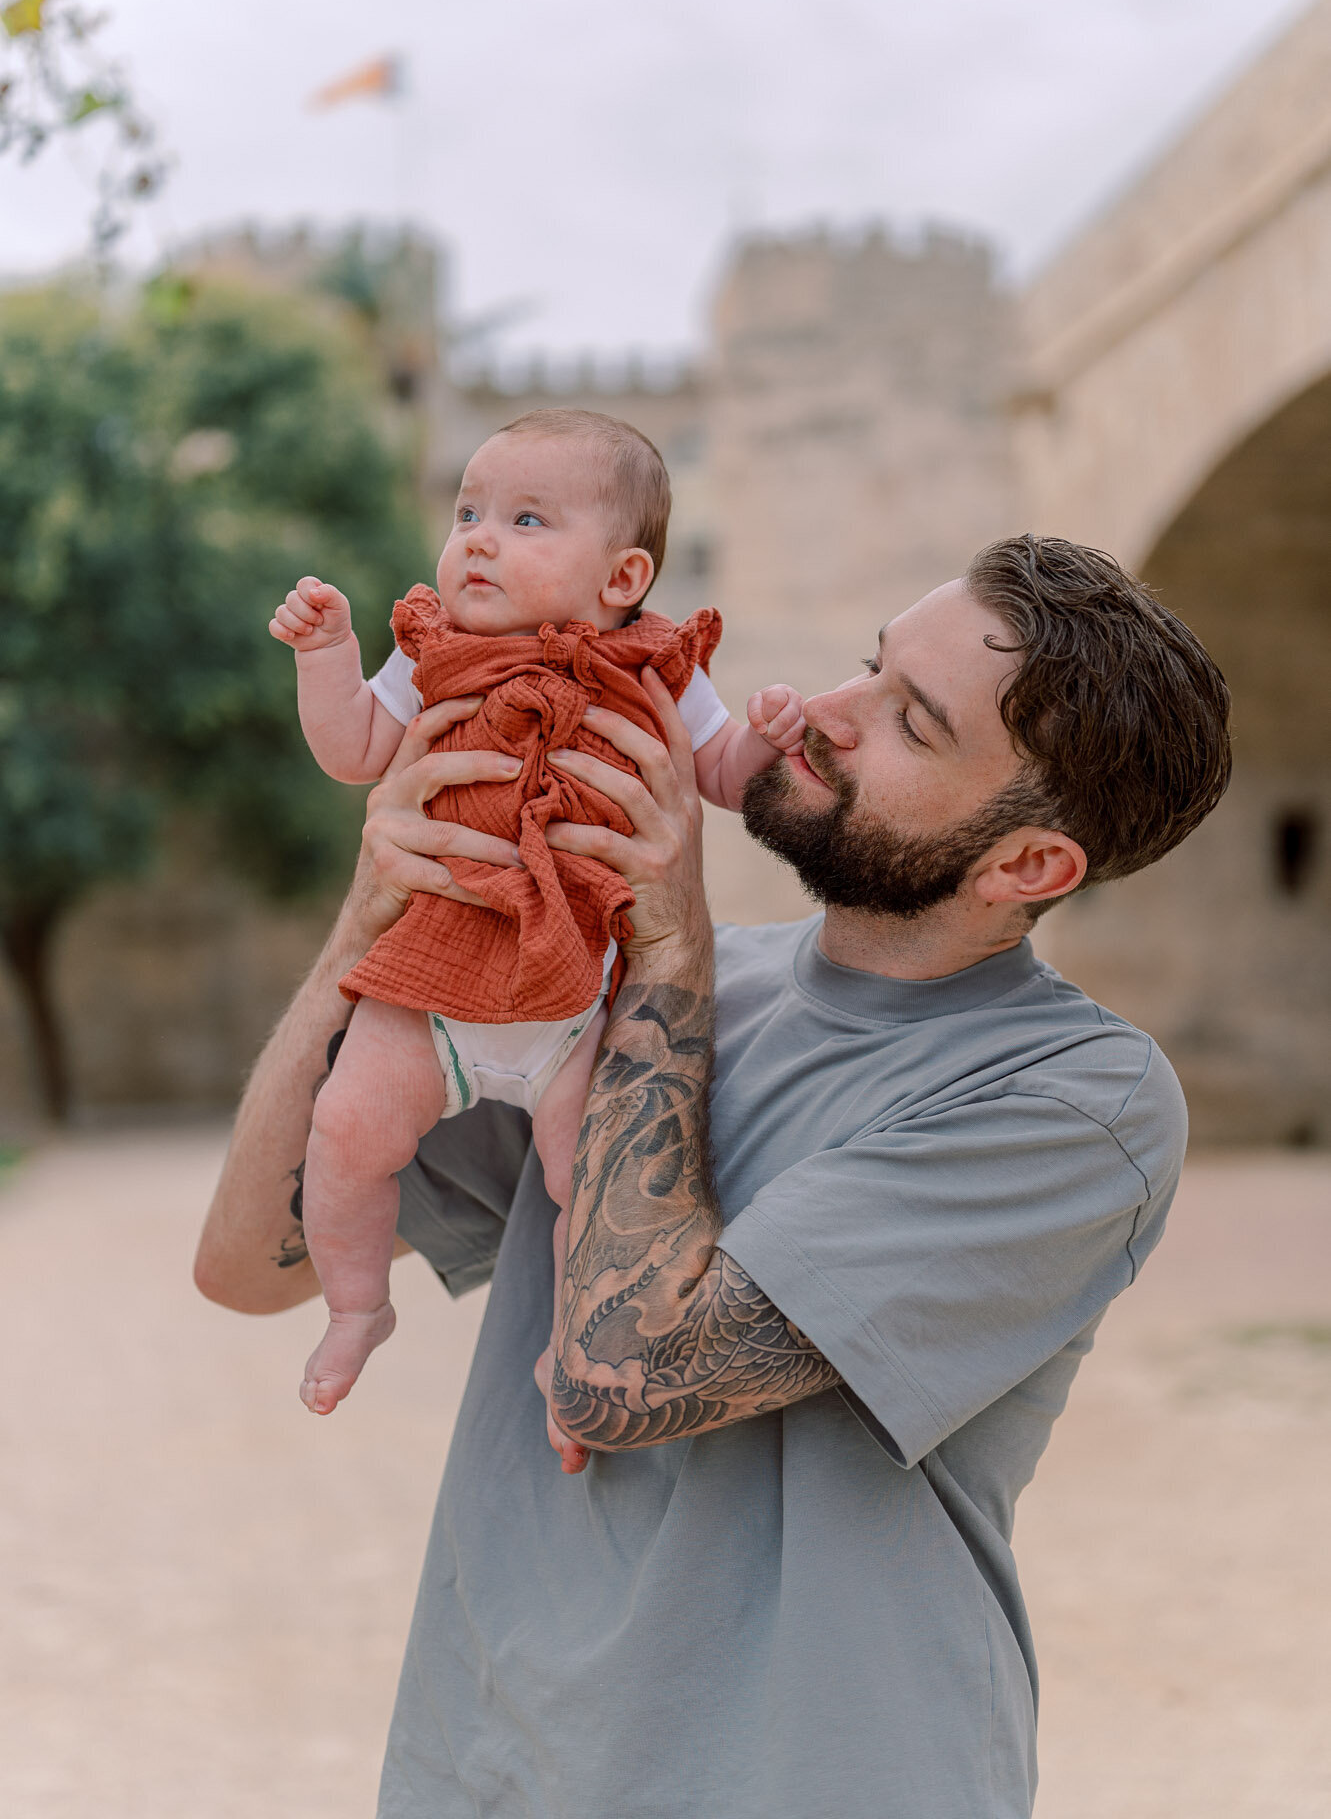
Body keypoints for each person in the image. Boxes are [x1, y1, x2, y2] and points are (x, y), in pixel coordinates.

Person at [196, 534, 1232, 1819]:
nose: (829, 714)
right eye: (868, 668)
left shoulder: (1073, 1100)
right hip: (492, 1769)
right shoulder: (624, 985)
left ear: (1025, 866)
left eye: (909, 720)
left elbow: (623, 1375)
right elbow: (250, 1262)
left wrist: (669, 941)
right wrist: (371, 921)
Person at [267, 407, 805, 1414]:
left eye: (524, 519)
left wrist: (768, 734)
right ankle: (354, 1307)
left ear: (622, 579)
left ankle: (568, 1351)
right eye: (468, 509)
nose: (476, 535)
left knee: (587, 1191)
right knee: (342, 1132)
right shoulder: (432, 645)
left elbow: (723, 775)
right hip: (428, 993)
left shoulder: (654, 664)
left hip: (571, 1009)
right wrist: (326, 656)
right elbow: (351, 750)